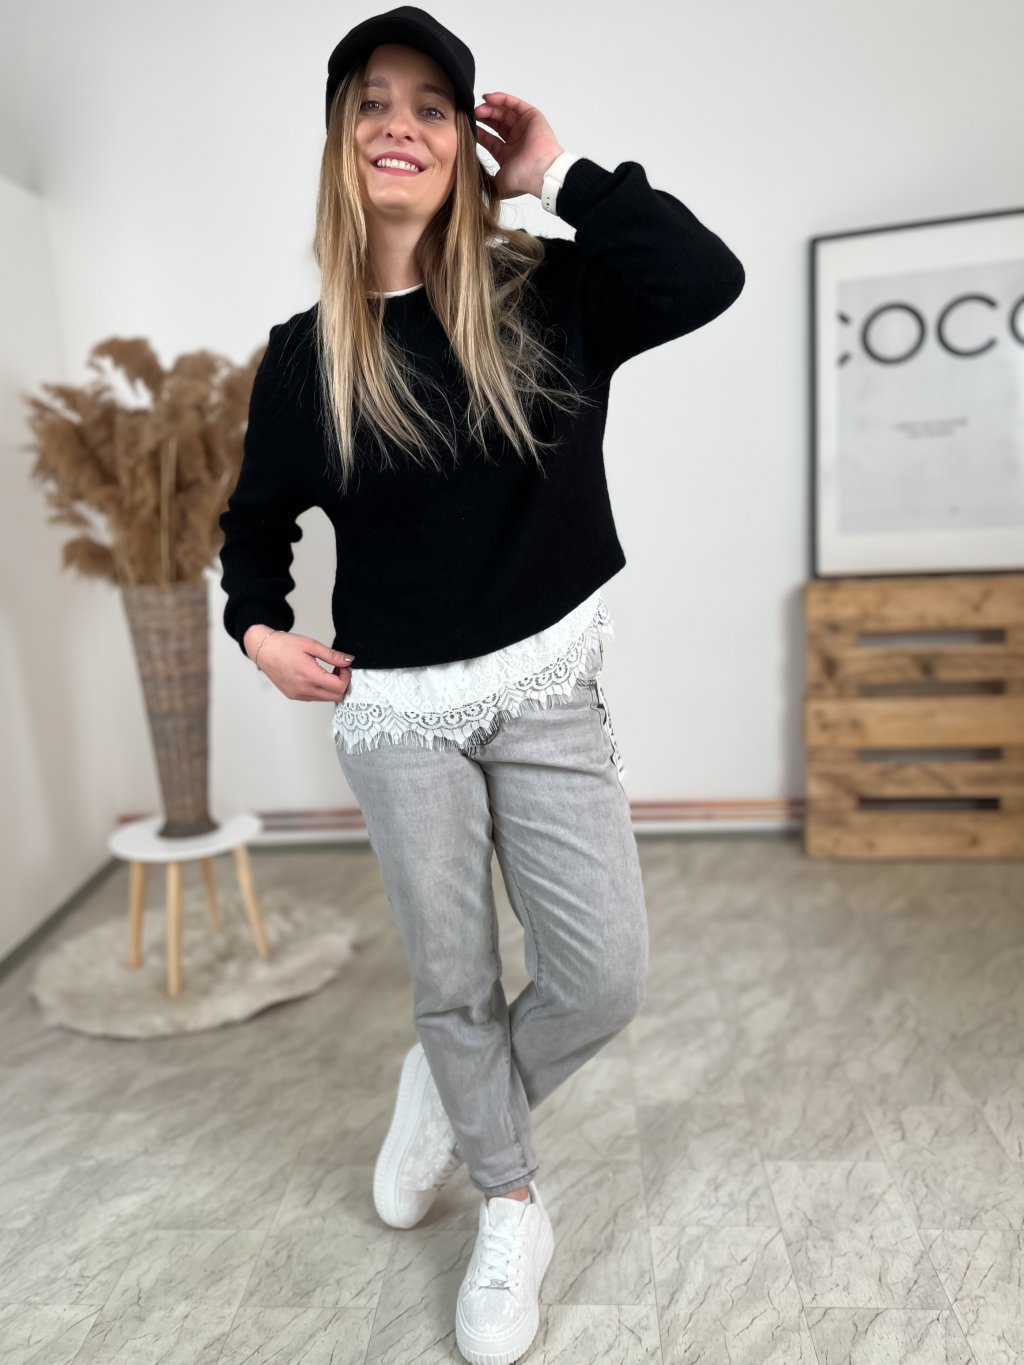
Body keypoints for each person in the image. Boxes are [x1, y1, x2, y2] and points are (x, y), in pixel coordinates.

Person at [217, 8, 745, 1361]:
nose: (399, 124)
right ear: (340, 139)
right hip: (395, 712)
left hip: (545, 681)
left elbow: (706, 275)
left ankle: (449, 1101)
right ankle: (510, 1201)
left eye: (431, 105)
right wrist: (259, 630)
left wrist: (559, 175)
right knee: (454, 983)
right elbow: (255, 527)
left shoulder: (548, 292)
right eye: (372, 101)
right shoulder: (304, 356)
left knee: (602, 974)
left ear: (465, 139)